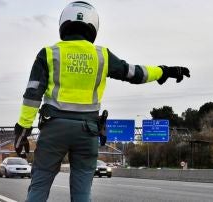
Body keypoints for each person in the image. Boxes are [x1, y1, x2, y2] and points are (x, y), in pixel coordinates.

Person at [14, 1, 190, 202]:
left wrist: (23, 128)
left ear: (63, 24)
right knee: (82, 192)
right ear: (93, 27)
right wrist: (164, 71)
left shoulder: (48, 53)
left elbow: (32, 94)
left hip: (54, 129)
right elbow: (134, 73)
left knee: (39, 185)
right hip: (88, 132)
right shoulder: (102, 56)